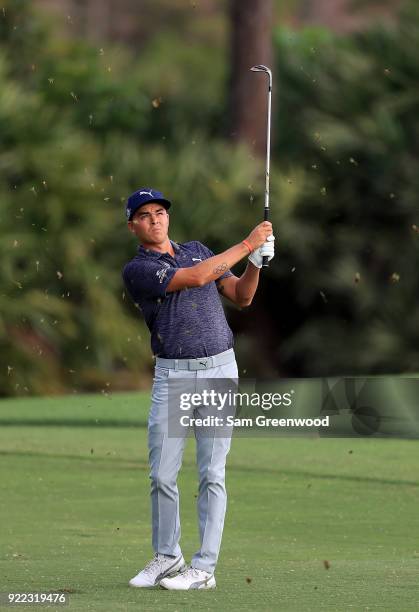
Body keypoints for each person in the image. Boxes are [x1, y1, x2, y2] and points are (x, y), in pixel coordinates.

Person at [122, 187, 274, 590]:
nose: (155, 219)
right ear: (133, 225)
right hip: (173, 376)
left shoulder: (197, 249)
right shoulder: (138, 270)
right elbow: (197, 277)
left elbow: (241, 296)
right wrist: (248, 242)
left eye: (160, 212)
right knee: (163, 475)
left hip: (219, 370)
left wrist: (257, 261)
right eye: (145, 215)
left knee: (212, 472)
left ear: (168, 218)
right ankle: (168, 556)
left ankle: (204, 568)